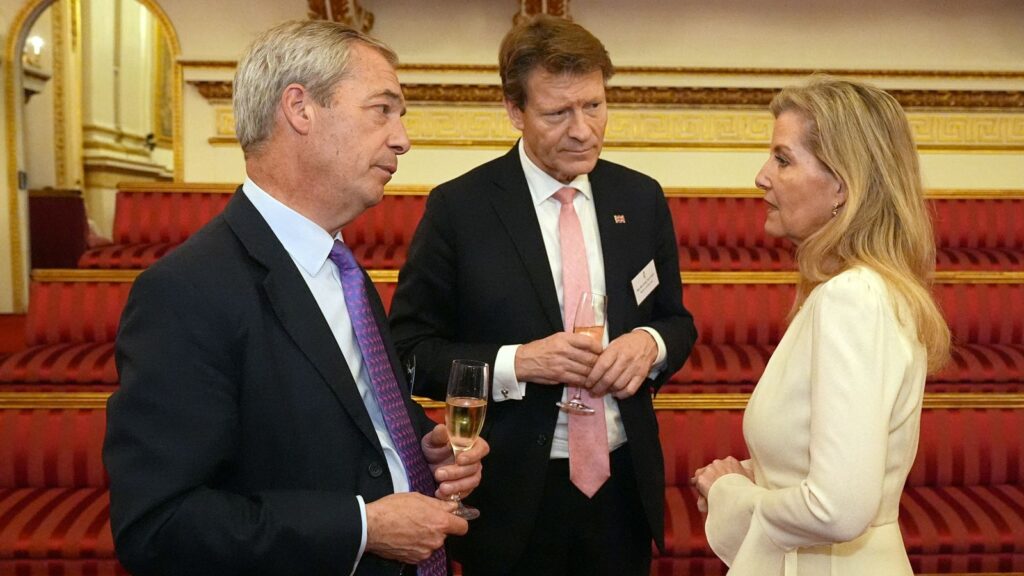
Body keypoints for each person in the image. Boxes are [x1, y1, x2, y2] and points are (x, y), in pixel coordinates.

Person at [103, 19, 488, 576]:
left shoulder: (347, 273)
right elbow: (159, 526)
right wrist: (362, 528)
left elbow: (357, 419)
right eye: (383, 109)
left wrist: (423, 449)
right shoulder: (184, 293)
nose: (403, 137)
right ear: (300, 109)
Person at [389, 14, 697, 576]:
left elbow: (677, 321)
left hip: (622, 487)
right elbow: (409, 352)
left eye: (595, 106)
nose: (584, 130)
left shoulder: (641, 197)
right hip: (511, 496)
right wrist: (519, 362)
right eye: (558, 113)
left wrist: (650, 345)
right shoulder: (460, 210)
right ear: (515, 111)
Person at [692, 75, 952, 576]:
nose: (761, 176)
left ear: (842, 186)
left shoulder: (853, 298)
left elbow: (837, 508)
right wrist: (756, 475)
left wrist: (730, 493)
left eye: (783, 159)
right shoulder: (866, 289)